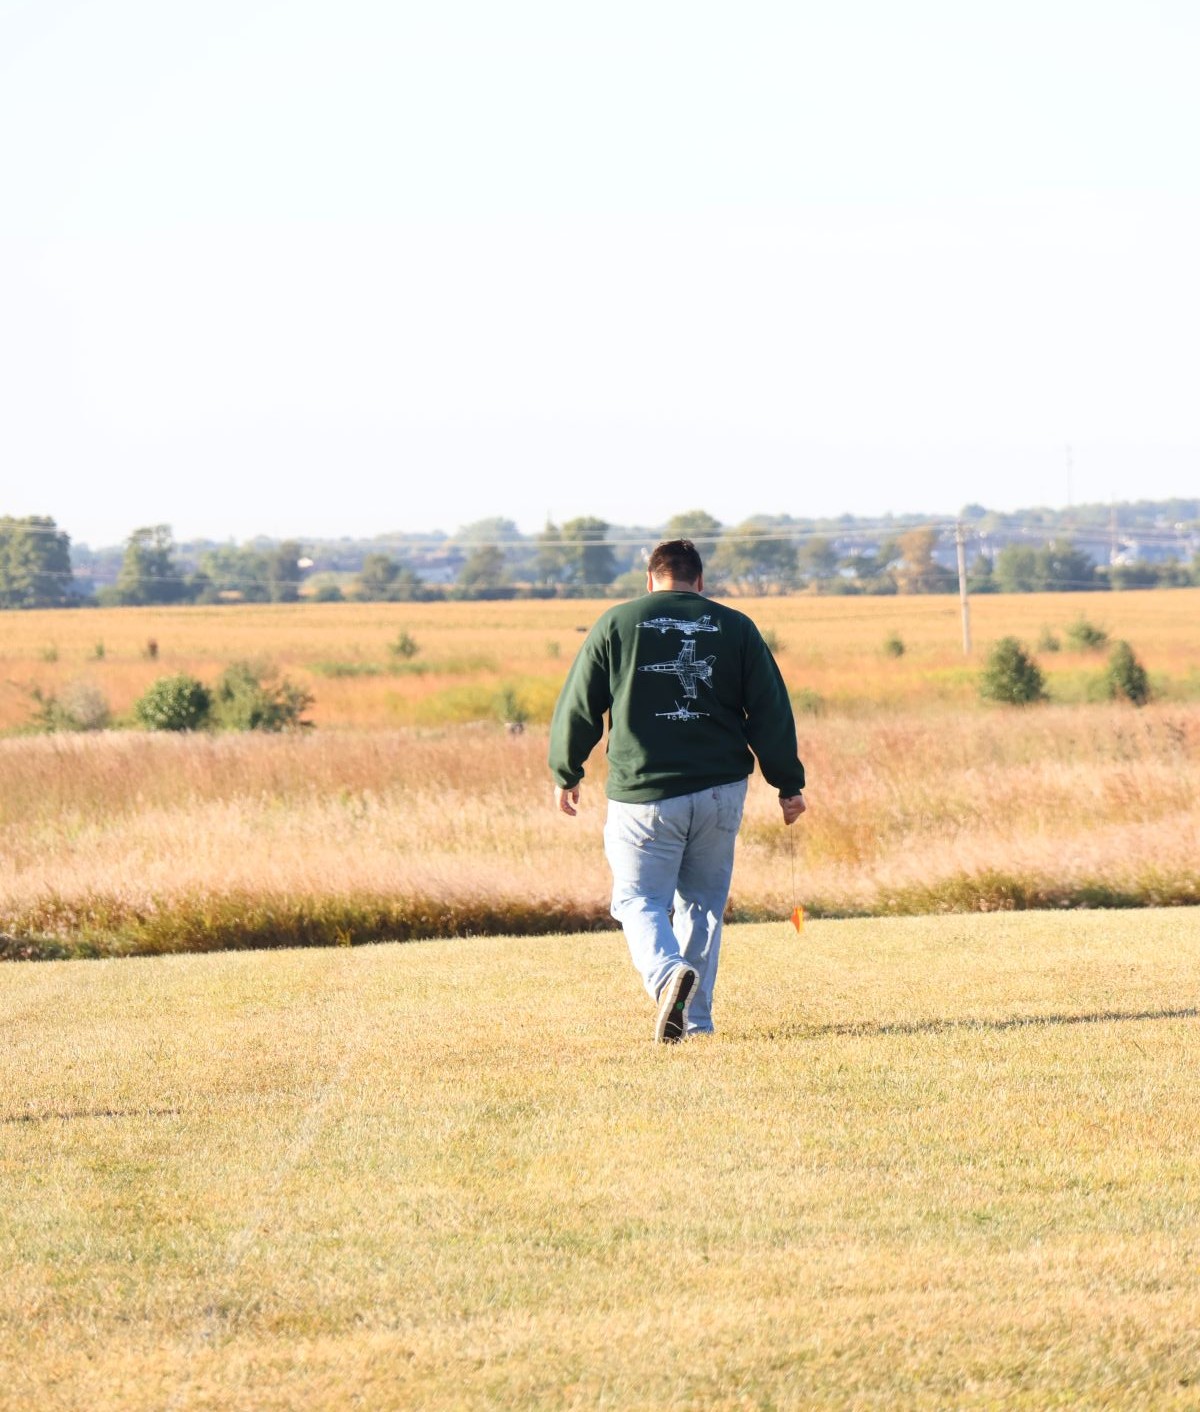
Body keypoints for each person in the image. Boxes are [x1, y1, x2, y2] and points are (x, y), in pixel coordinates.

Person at [548, 538, 806, 1043]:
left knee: (638, 899)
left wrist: (566, 770)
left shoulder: (616, 624)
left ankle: (668, 977)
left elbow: (581, 704)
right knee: (703, 905)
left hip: (644, 794)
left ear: (650, 579)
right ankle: (696, 1023)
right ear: (700, 581)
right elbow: (770, 711)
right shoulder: (736, 627)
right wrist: (788, 784)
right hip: (720, 792)